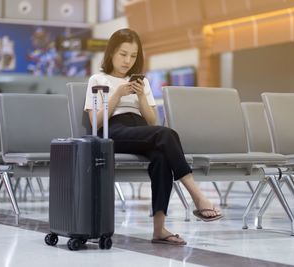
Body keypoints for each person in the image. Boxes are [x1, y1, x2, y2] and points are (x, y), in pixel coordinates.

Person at [84, 28, 222, 246]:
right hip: (114, 131)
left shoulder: (143, 82)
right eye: (123, 54)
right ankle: (197, 195)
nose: (128, 60)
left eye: (133, 55)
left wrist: (140, 96)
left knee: (161, 155)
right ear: (111, 52)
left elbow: (152, 122)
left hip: (140, 130)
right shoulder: (97, 79)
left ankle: (159, 230)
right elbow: (95, 123)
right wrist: (118, 95)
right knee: (167, 135)